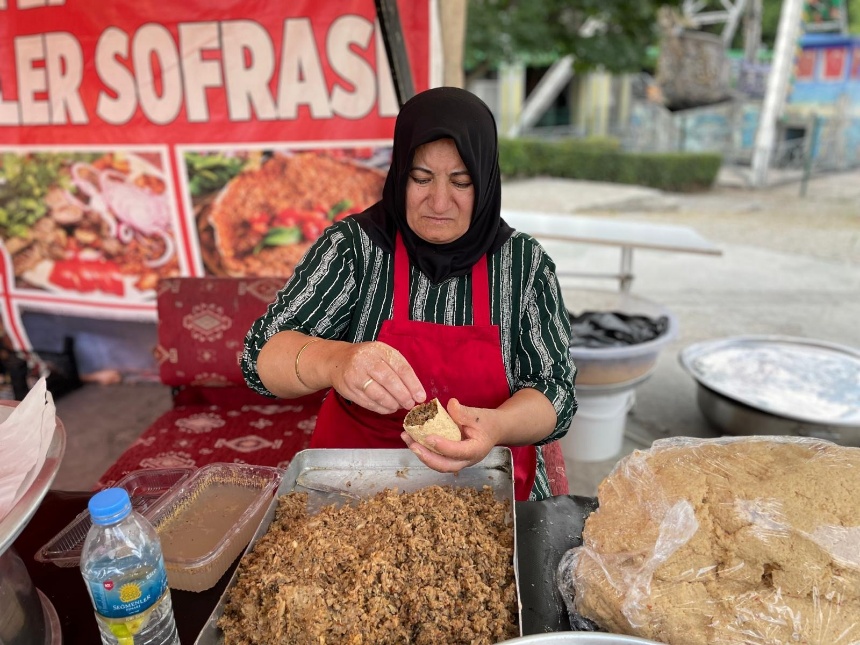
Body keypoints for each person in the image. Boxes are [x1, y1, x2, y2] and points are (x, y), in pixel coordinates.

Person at [242, 87, 576, 501]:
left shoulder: (523, 265)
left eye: (461, 181)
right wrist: (335, 361)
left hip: (487, 481)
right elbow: (260, 358)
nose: (439, 201)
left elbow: (555, 392)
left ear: (486, 180)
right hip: (358, 485)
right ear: (400, 173)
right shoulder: (354, 249)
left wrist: (495, 427)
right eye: (421, 178)